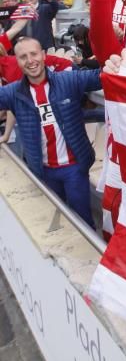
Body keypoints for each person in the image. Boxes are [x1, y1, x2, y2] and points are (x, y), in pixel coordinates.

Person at [0, 37, 101, 227]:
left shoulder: (68, 80)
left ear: (44, 55)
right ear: (17, 61)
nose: (30, 60)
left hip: (74, 168)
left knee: (82, 220)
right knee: (55, 220)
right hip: (43, 171)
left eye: (34, 54)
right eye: (23, 57)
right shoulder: (14, 92)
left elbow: (100, 77)